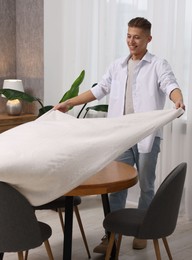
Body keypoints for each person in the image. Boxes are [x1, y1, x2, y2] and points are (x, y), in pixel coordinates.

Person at [53, 17, 185, 253]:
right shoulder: (117, 66)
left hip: (147, 135)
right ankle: (111, 235)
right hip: (121, 136)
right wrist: (69, 103)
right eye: (128, 36)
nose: (131, 41)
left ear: (148, 39)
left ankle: (144, 230)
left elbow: (170, 85)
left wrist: (177, 99)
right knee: (116, 187)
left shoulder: (158, 65)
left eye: (137, 37)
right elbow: (99, 90)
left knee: (146, 184)